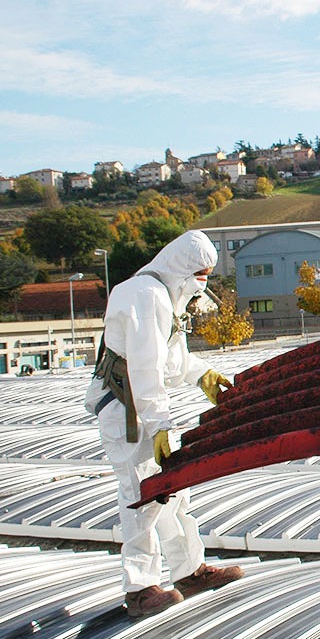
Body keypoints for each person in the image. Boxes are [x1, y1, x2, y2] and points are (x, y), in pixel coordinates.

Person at [85, 230, 244, 618]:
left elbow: (172, 363)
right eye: (200, 275)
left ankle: (189, 571)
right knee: (141, 496)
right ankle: (140, 589)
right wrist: (159, 426)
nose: (200, 284)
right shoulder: (145, 295)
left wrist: (203, 374)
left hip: (143, 407)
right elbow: (144, 370)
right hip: (126, 411)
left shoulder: (162, 296)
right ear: (182, 270)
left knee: (171, 492)